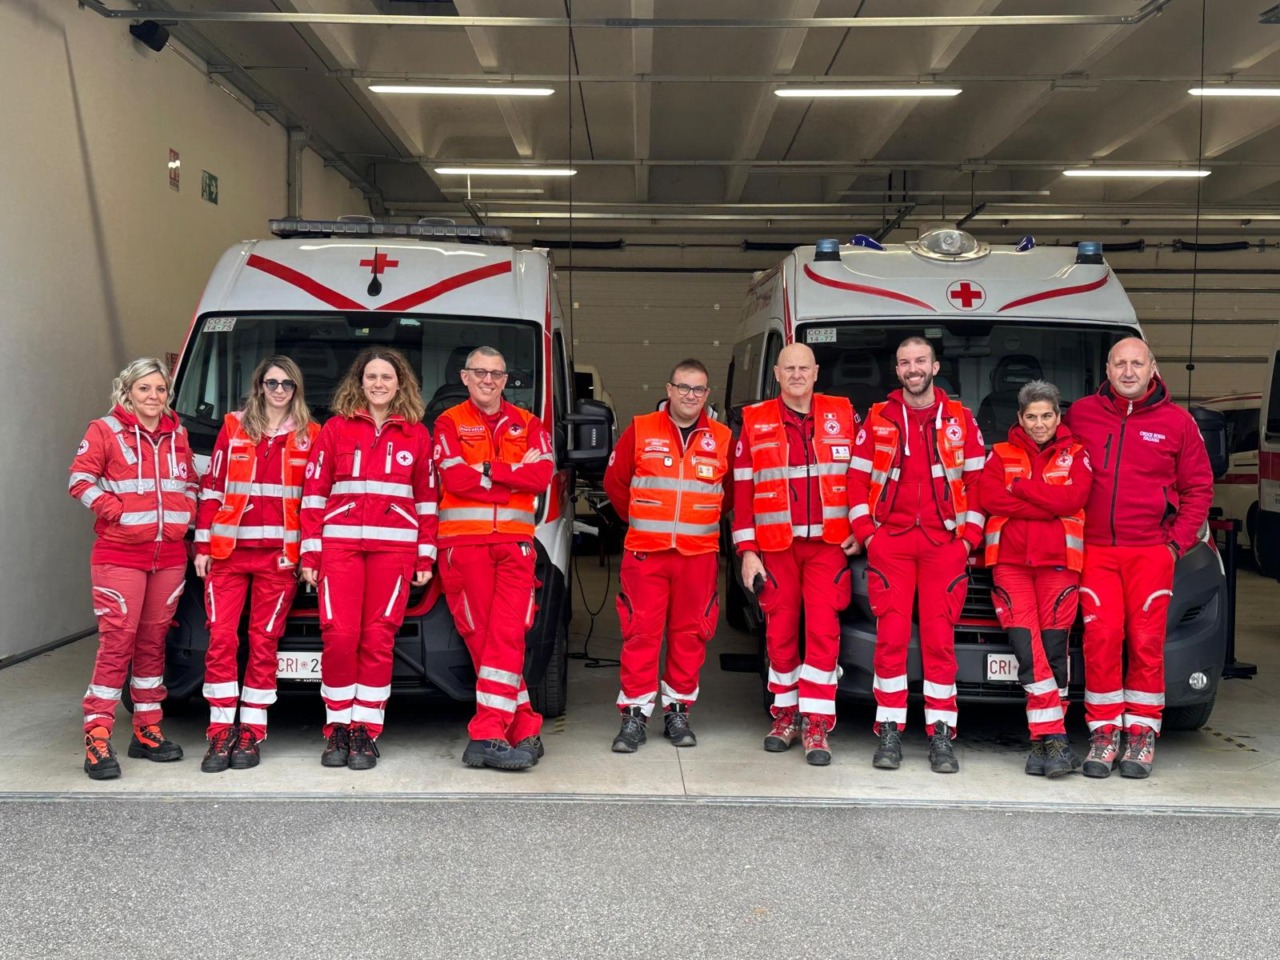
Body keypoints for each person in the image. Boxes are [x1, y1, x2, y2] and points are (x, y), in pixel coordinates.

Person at [1065, 337, 1213, 779]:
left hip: (1150, 552)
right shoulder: (1081, 415)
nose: (1128, 372)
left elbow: (1199, 489)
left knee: (1147, 644)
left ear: (1153, 368)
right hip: (1095, 551)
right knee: (1102, 640)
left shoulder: (1178, 423)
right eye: (1120, 364)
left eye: (1137, 363)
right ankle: (1105, 733)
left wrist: (1175, 544)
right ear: (1107, 370)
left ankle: (1142, 735)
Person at [848, 336, 986, 774]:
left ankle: (941, 734)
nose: (913, 368)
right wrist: (868, 535)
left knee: (940, 643)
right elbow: (855, 480)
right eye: (905, 362)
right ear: (897, 370)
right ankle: (888, 730)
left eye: (920, 360)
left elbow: (981, 483)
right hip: (891, 544)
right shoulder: (878, 418)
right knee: (889, 642)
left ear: (935, 365)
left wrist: (968, 541)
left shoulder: (961, 420)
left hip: (944, 545)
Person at [300, 348, 436, 771]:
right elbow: (314, 492)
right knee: (339, 636)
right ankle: (337, 727)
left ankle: (366, 731)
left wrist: (424, 555)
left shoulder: (417, 434)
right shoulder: (335, 429)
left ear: (401, 384)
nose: (379, 384)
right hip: (340, 548)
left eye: (387, 377)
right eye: (371, 377)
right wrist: (310, 549)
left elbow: (428, 499)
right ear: (358, 382)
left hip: (394, 552)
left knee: (378, 639)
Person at [69, 358, 198, 780]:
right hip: (119, 554)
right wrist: (116, 511)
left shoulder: (177, 432)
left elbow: (190, 483)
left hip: (169, 556)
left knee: (152, 642)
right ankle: (97, 735)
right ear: (127, 391)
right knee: (117, 644)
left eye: (160, 389)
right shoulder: (103, 430)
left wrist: (186, 512)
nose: (153, 396)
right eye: (145, 389)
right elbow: (80, 481)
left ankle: (147, 729)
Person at [732, 343, 860, 766]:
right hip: (776, 548)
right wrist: (747, 551)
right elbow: (743, 493)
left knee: (824, 633)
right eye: (790, 368)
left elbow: (865, 477)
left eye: (804, 367)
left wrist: (863, 528)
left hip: (828, 546)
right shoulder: (755, 420)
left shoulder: (844, 413)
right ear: (776, 373)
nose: (797, 375)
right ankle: (785, 716)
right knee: (780, 633)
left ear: (817, 371)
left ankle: (817, 723)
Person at [193, 356, 320, 773]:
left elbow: (313, 502)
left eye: (287, 383)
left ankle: (251, 731)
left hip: (279, 557)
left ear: (296, 389)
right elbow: (212, 488)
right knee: (221, 640)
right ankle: (219, 732)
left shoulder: (311, 434)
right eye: (272, 382)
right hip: (228, 554)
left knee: (264, 643)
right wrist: (202, 544)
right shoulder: (233, 427)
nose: (279, 390)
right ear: (259, 386)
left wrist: (308, 556)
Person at [433, 346, 556, 770]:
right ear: (465, 377)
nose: (489, 380)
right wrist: (509, 472)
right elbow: (453, 476)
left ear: (507, 380)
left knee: (507, 636)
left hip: (515, 547)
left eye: (497, 374)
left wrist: (486, 470)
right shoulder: (448, 422)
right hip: (464, 547)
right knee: (485, 639)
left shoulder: (529, 423)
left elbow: (540, 477)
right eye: (480, 372)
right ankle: (522, 728)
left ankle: (488, 733)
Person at [603, 359, 731, 752]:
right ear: (669, 389)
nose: (690, 396)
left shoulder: (723, 437)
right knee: (641, 634)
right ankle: (635, 717)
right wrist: (644, 519)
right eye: (683, 387)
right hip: (646, 554)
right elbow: (616, 483)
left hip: (698, 556)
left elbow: (730, 499)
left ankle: (677, 711)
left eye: (698, 390)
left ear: (707, 395)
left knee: (690, 635)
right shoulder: (641, 429)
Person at [979, 380, 1092, 778]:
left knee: (1053, 649)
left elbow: (1073, 500)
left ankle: (1042, 743)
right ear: (1020, 419)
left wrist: (1024, 489)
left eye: (1047, 416)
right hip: (1009, 563)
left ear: (1058, 416)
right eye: (1032, 417)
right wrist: (1047, 504)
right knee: (1028, 651)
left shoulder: (1076, 454)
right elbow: (990, 498)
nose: (1039, 424)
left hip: (1059, 564)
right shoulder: (1000, 453)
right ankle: (1055, 737)